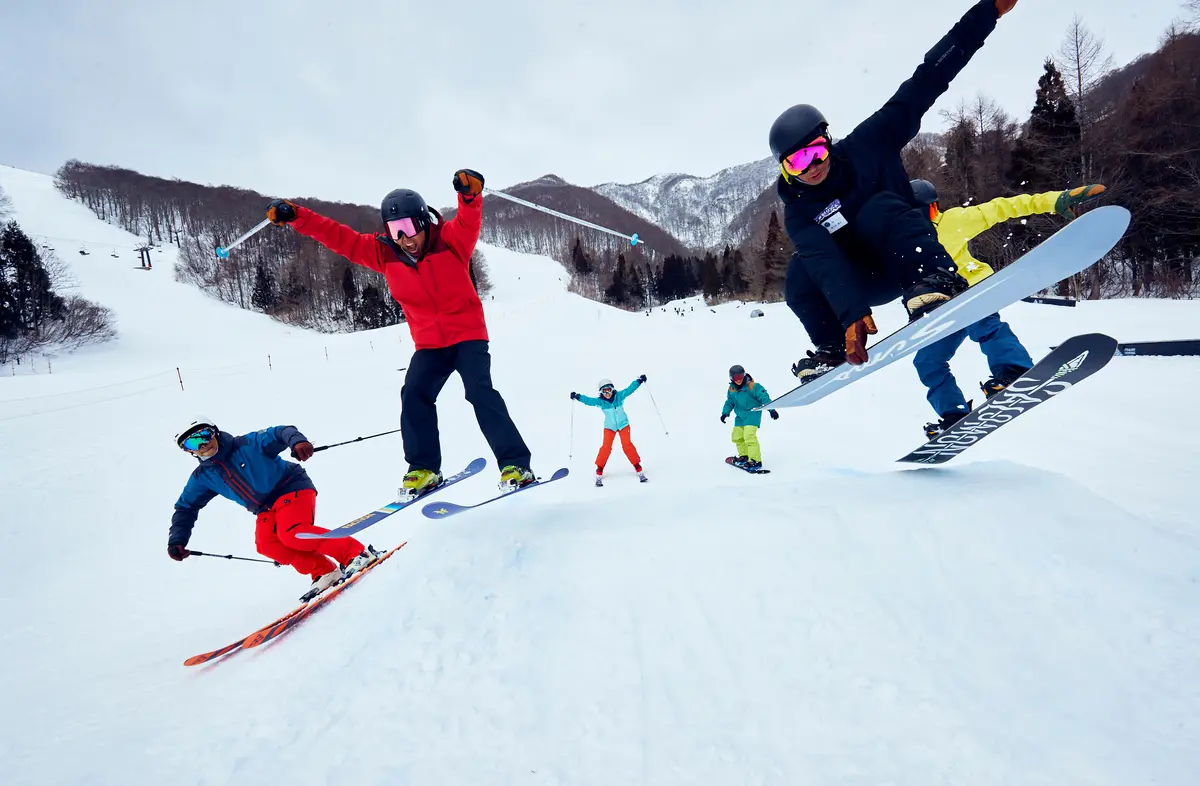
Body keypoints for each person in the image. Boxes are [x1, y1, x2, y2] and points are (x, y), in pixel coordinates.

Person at [767, 0, 1020, 384]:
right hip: (861, 282)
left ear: (827, 141)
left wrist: (987, 14)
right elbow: (824, 262)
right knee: (799, 274)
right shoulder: (799, 210)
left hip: (908, 254)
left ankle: (933, 281)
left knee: (878, 207)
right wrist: (851, 314)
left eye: (816, 152)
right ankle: (833, 345)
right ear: (785, 169)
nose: (812, 167)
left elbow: (926, 81)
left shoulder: (869, 143)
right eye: (797, 163)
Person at [264, 170, 535, 494]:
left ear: (423, 222)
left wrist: (469, 195)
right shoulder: (384, 254)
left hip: (467, 335)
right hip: (430, 344)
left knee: (479, 392)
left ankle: (515, 463)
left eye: (409, 228)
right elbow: (339, 237)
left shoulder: (450, 242)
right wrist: (297, 216)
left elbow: (468, 220)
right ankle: (423, 469)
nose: (405, 238)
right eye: (395, 230)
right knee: (414, 394)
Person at [908, 179, 1108, 437]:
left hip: (971, 292)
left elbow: (1004, 207)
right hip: (939, 309)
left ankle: (1014, 369)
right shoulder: (901, 241)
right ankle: (954, 413)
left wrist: (1055, 199)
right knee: (927, 361)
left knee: (982, 324)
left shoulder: (953, 221)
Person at [168, 417, 381, 602]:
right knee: (267, 544)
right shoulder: (202, 477)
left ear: (214, 431)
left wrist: (297, 442)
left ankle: (356, 554)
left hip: (290, 486)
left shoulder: (247, 444)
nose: (202, 444)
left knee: (293, 533)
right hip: (265, 508)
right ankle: (324, 571)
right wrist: (177, 539)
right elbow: (185, 508)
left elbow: (280, 432)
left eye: (204, 434)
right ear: (188, 450)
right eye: (192, 442)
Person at [570, 376, 649, 486]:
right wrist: (578, 397)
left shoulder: (619, 397)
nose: (607, 393)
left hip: (623, 425)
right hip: (610, 427)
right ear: (601, 393)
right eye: (604, 391)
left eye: (609, 390)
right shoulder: (601, 402)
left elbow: (630, 389)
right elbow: (589, 401)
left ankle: (637, 465)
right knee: (606, 448)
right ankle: (600, 468)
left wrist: (639, 381)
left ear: (613, 389)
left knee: (627, 445)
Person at [720, 365, 779, 471]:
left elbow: (764, 398)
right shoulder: (731, 389)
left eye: (740, 376)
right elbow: (729, 402)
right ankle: (744, 456)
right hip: (740, 417)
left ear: (744, 375)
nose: (738, 380)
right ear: (731, 378)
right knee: (737, 437)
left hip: (752, 415)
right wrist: (725, 413)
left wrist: (772, 410)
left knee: (749, 436)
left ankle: (755, 460)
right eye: (735, 378)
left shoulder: (753, 386)